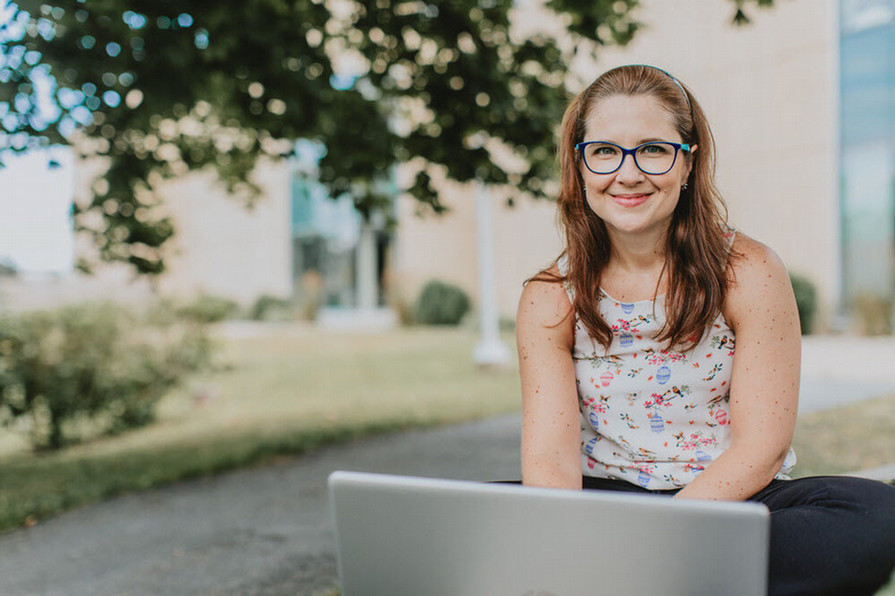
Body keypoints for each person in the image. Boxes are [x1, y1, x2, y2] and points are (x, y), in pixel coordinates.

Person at [516, 64, 895, 596]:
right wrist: (573, 535)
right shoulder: (549, 294)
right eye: (604, 151)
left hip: (729, 501)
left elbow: (761, 447)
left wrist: (659, 537)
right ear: (579, 165)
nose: (627, 174)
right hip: (604, 500)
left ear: (689, 162)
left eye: (653, 149)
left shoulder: (750, 271)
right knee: (461, 522)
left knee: (874, 514)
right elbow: (551, 459)